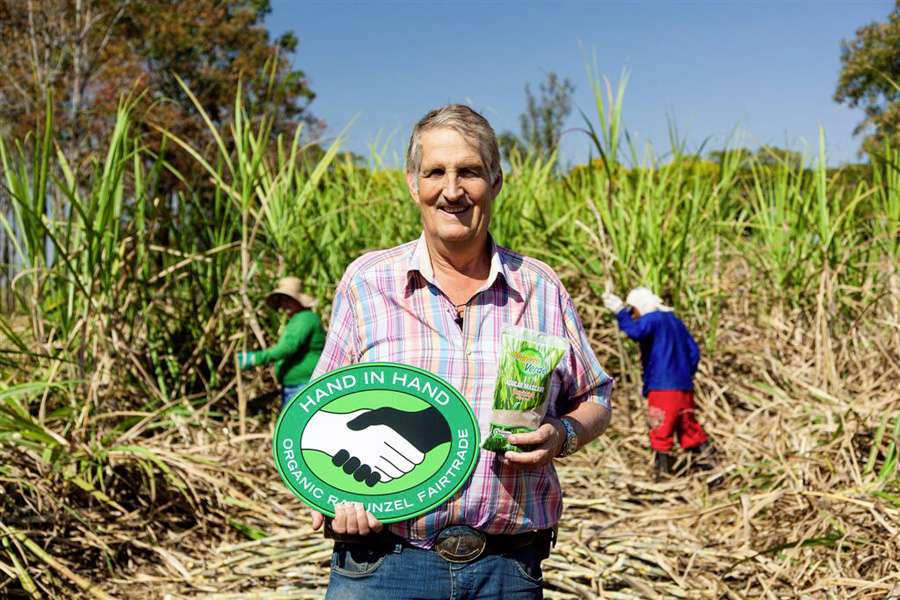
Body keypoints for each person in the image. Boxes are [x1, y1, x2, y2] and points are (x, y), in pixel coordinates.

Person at [310, 104, 614, 600]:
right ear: (413, 184)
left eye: (469, 171)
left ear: (495, 183)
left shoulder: (539, 287)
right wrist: (333, 492)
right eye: (436, 172)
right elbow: (317, 410)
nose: (452, 190)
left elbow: (596, 397)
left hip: (507, 570)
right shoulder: (367, 282)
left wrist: (562, 435)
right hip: (381, 566)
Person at [602, 286, 714, 478]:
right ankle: (711, 470)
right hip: (684, 387)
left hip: (663, 388)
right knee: (689, 428)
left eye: (633, 310)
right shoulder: (675, 322)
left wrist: (620, 312)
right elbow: (694, 352)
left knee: (660, 429)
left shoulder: (653, 318)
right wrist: (685, 375)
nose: (634, 315)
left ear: (640, 306)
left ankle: (663, 477)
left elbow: (636, 331)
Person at [237, 277, 326, 409]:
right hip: (295, 385)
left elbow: (287, 348)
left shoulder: (305, 319)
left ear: (298, 300)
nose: (284, 304)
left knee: (295, 426)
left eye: (288, 300)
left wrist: (254, 358)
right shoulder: (297, 319)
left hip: (303, 384)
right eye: (282, 300)